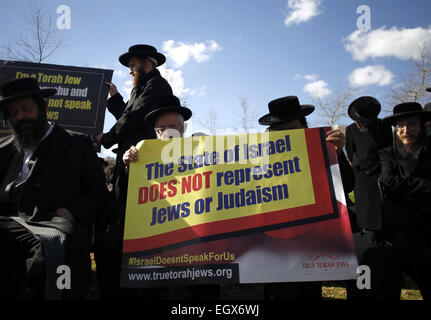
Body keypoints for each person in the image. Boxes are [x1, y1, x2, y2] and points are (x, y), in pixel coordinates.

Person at [0, 78, 108, 300]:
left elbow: (99, 196)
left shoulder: (76, 144)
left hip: (52, 225)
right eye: (13, 113)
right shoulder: (4, 151)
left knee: (58, 256)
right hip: (8, 221)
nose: (20, 117)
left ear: (43, 107)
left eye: (25, 109)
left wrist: (74, 211)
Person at [123, 95, 220, 300]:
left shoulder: (202, 146)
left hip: (197, 233)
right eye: (162, 128)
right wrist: (129, 165)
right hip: (158, 233)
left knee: (206, 281)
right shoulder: (143, 154)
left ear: (183, 128)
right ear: (156, 132)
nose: (168, 133)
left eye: (174, 126)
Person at [258, 95, 355, 300]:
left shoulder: (320, 152)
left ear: (305, 129)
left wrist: (337, 157)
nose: (288, 137)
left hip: (310, 245)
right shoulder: (258, 159)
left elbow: (347, 186)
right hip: (275, 245)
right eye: (280, 132)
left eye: (293, 130)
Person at [95, 44, 173, 299]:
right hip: (127, 165)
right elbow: (127, 114)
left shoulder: (158, 87)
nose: (130, 71)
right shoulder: (140, 88)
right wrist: (116, 97)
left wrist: (105, 138)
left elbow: (136, 118)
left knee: (131, 223)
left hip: (143, 167)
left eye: (133, 66)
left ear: (147, 63)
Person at [378, 102, 431, 300]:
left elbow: (397, 183)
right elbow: (388, 181)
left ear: (423, 126)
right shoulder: (387, 154)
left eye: (411, 125)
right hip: (401, 230)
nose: (405, 130)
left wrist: (405, 184)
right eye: (400, 126)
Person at [344, 96, 393, 299]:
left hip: (382, 177)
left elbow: (388, 151)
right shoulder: (351, 130)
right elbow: (351, 151)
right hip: (361, 179)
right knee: (366, 220)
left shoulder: (383, 128)